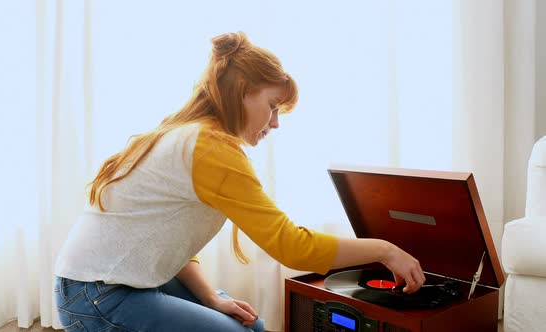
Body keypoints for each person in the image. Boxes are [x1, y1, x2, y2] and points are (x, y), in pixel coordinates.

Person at [54, 32, 425, 332]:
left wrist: (213, 300)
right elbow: (291, 247)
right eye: (273, 105)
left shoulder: (187, 135)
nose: (275, 122)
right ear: (242, 92)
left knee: (254, 326)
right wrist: (384, 250)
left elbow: (170, 243)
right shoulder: (210, 146)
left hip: (98, 285)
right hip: (97, 295)